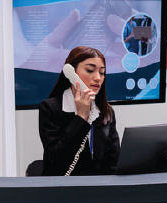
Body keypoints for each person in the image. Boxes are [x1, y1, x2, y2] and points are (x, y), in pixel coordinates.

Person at [38, 46, 120, 176]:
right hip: (62, 190)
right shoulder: (50, 108)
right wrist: (81, 117)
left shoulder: (106, 111)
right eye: (90, 70)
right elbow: (55, 161)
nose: (98, 78)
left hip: (99, 191)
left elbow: (114, 162)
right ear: (71, 73)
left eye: (102, 72)